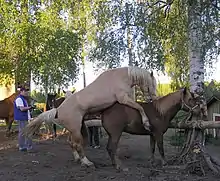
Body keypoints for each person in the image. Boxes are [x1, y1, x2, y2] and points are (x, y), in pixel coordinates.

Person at [14, 86, 33, 152]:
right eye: (25, 91)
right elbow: (22, 109)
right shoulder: (19, 99)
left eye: (27, 91)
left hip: (24, 118)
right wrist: (30, 107)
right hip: (21, 118)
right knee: (23, 132)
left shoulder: (23, 99)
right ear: (21, 91)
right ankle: (22, 147)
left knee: (24, 132)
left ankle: (25, 146)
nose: (26, 92)